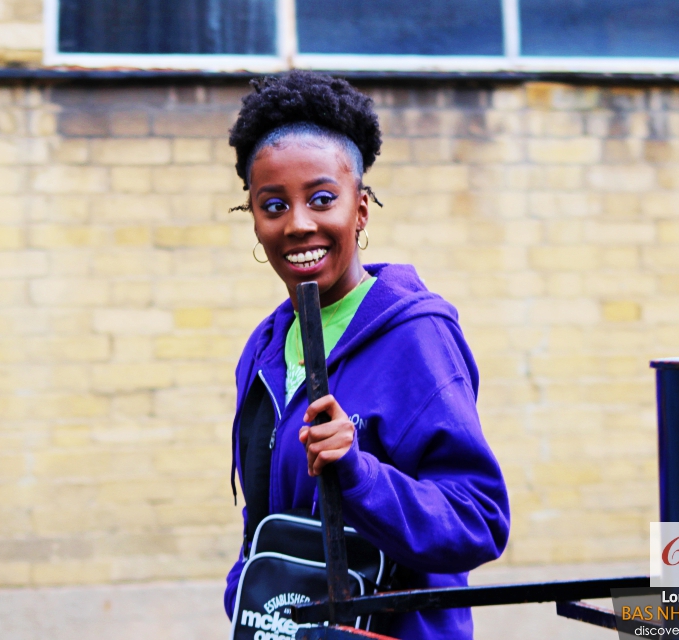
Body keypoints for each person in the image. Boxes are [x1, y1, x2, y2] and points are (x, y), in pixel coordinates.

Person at [223, 71, 511, 639]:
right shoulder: (264, 352)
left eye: (323, 199)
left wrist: (359, 476)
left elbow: (479, 520)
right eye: (273, 204)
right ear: (254, 219)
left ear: (361, 209)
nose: (299, 223)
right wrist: (244, 593)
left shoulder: (415, 337)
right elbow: (263, 519)